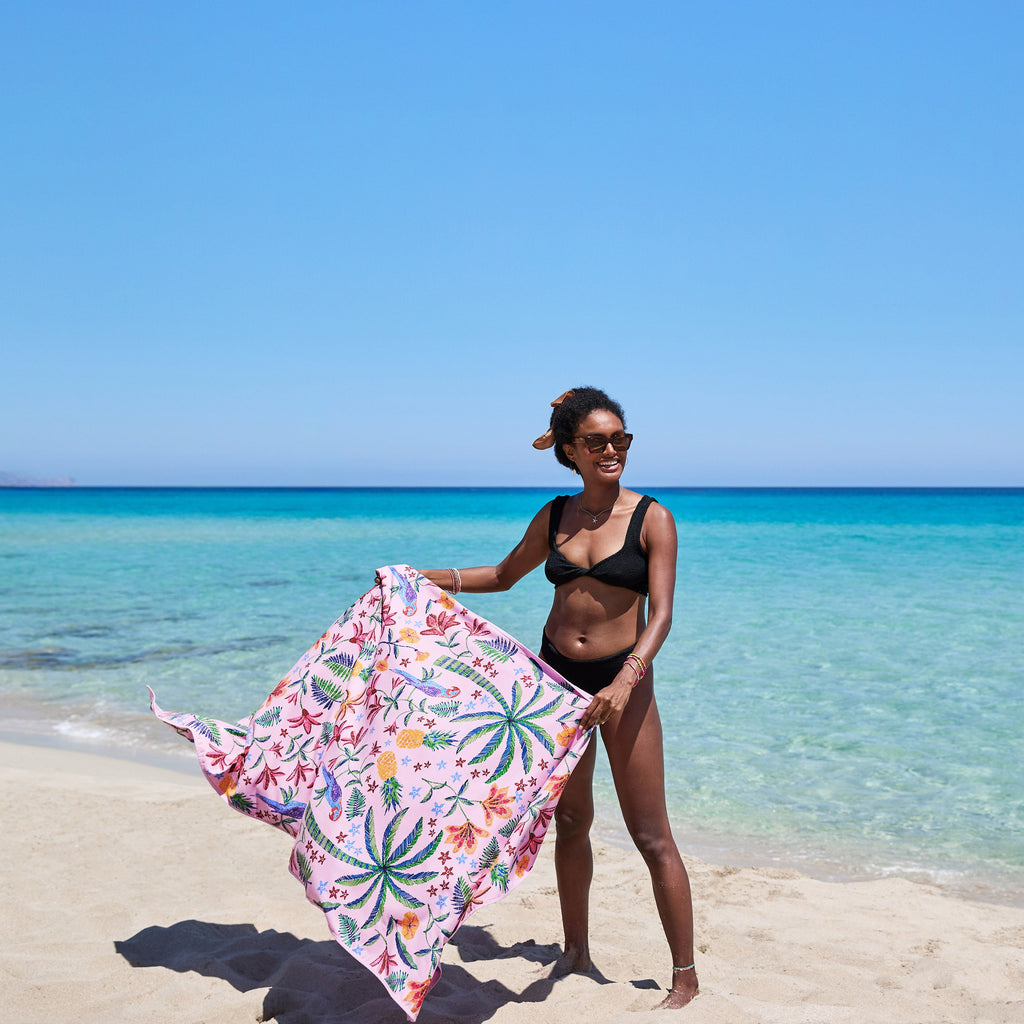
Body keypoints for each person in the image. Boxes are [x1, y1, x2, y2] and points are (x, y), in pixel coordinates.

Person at [419, 386, 699, 1008]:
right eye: (597, 441)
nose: (612, 450)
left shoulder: (653, 518)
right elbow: (501, 576)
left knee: (650, 833)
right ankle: (575, 951)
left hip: (624, 678)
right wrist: (422, 579)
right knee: (571, 821)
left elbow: (662, 614)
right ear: (571, 450)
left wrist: (627, 679)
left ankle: (685, 976)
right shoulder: (554, 515)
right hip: (556, 682)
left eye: (621, 439)